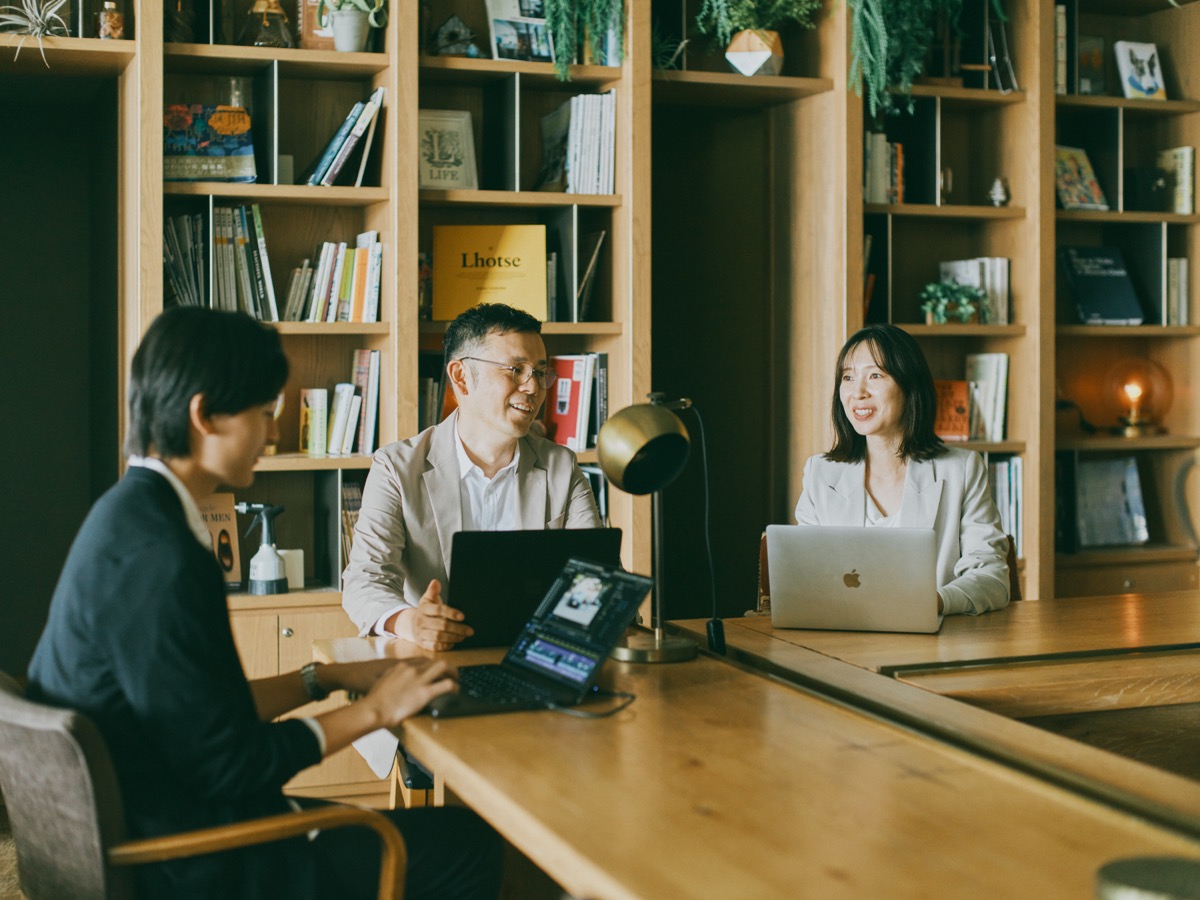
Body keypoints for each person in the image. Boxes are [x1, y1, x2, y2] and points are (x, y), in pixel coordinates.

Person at [26, 307, 503, 900]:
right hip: (196, 859)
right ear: (204, 414)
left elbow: (203, 711)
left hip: (167, 815)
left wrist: (326, 676)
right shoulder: (164, 558)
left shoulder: (125, 517)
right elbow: (230, 764)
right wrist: (376, 710)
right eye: (264, 413)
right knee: (473, 844)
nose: (273, 436)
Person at [342, 302, 601, 651]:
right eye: (516, 370)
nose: (533, 388)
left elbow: (596, 578)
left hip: (536, 653)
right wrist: (410, 622)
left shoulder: (561, 467)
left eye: (540, 372)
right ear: (462, 377)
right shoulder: (396, 467)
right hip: (434, 659)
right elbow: (364, 579)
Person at [793, 323, 1010, 615]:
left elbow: (991, 578)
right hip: (841, 641)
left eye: (875, 375)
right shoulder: (820, 473)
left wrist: (934, 602)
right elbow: (804, 576)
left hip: (932, 645)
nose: (858, 392)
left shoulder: (962, 469)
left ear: (910, 387)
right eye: (848, 377)